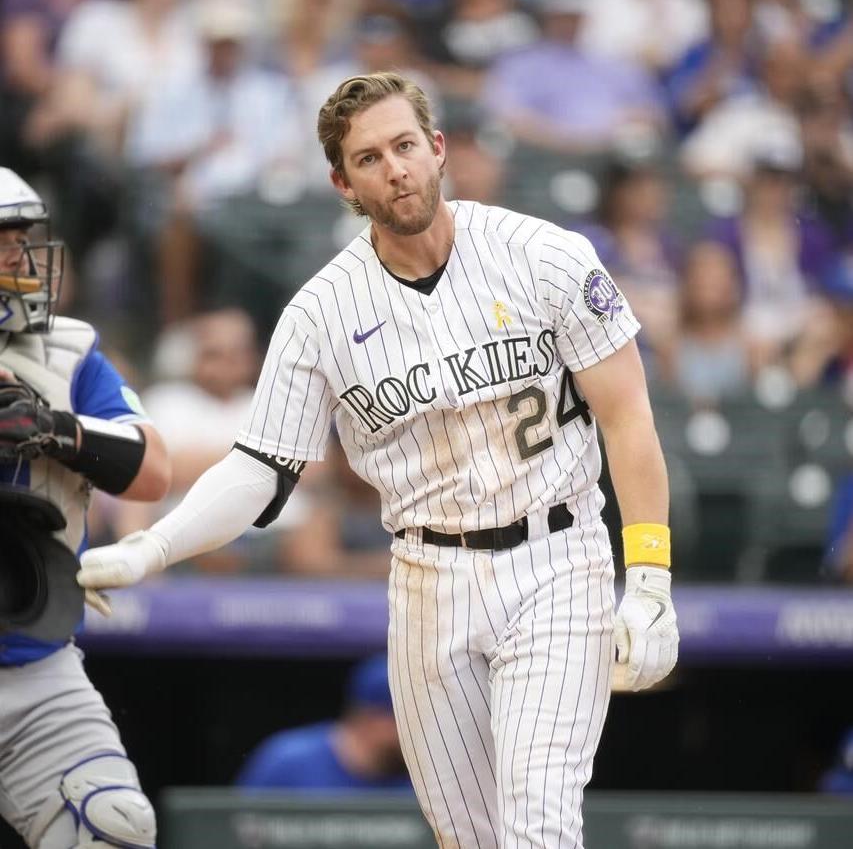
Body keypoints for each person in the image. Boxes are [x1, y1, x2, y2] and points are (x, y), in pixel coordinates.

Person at [78, 71, 679, 848]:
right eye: (369, 158)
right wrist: (153, 545)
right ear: (342, 182)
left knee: (537, 823)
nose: (393, 168)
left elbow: (627, 417)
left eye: (404, 146)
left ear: (436, 149)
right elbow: (260, 466)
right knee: (467, 836)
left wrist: (653, 578)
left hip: (558, 556)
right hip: (428, 577)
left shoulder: (542, 254)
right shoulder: (320, 312)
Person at [0, 168, 170, 848]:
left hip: (36, 663)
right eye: (2, 242)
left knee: (112, 830)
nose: (20, 257)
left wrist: (59, 430)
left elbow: (153, 469)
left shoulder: (66, 352)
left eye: (22, 239)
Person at [236, 653, 411, 790]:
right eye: (406, 720)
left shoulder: (419, 777)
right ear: (371, 718)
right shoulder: (288, 761)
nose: (418, 733)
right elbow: (234, 827)